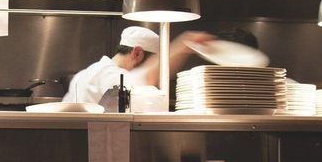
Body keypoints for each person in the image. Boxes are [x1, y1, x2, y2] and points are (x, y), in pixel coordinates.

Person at [62, 26, 215, 104]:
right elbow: (145, 78)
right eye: (153, 62)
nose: (154, 67)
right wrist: (184, 43)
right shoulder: (112, 76)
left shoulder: (82, 75)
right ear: (136, 53)